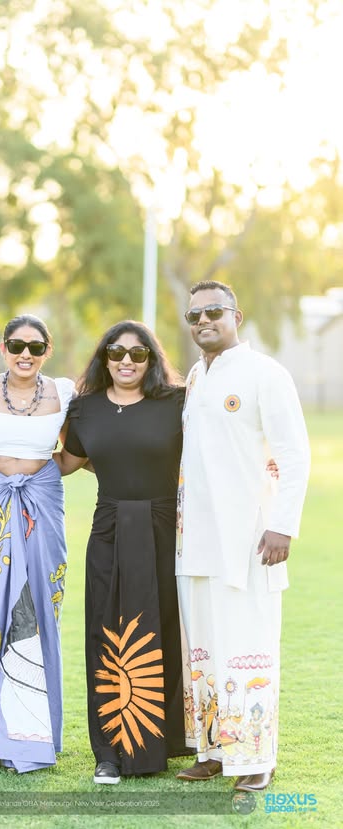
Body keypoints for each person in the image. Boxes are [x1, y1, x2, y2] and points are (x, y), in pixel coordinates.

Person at [175, 280, 310, 792]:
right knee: (205, 648)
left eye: (214, 311)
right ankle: (214, 750)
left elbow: (294, 454)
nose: (204, 321)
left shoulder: (265, 374)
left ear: (237, 316)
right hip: (196, 540)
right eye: (194, 315)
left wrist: (282, 525)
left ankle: (256, 758)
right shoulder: (195, 376)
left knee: (248, 646)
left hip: (251, 538)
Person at [54, 321, 190, 784]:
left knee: (165, 629)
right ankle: (110, 751)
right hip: (110, 529)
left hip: (166, 529)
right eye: (116, 352)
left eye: (137, 353)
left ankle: (166, 740)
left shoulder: (177, 403)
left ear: (152, 359)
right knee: (107, 633)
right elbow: (66, 463)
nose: (126, 361)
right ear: (104, 358)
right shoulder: (84, 409)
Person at [0, 314, 75, 778]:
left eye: (36, 346)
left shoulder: (65, 394)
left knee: (38, 610)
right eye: (16, 345)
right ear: (3, 348)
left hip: (43, 505)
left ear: (48, 350)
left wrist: (36, 476)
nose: (25, 354)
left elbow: (76, 452)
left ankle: (29, 735)